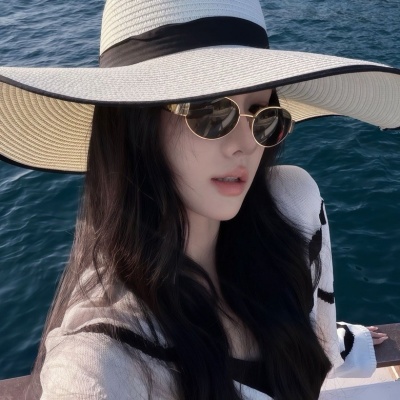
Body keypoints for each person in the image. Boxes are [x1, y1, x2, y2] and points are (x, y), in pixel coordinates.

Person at [0, 0, 399, 399]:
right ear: (134, 123)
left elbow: (321, 341)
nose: (246, 144)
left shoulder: (295, 208)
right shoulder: (100, 360)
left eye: (264, 115)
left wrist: (343, 342)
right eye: (212, 112)